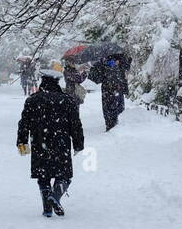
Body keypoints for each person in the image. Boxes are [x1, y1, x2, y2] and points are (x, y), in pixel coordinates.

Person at [17, 68, 85, 218]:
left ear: (43, 81)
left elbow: (24, 123)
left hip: (39, 142)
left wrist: (22, 142)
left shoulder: (32, 100)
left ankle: (47, 209)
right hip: (61, 142)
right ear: (57, 82)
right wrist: (79, 143)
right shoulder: (67, 100)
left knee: (43, 175)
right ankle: (55, 196)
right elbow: (75, 124)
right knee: (64, 175)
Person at [88, 54, 130, 131]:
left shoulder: (103, 62)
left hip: (110, 89)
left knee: (110, 108)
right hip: (114, 89)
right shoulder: (107, 62)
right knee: (115, 107)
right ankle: (114, 126)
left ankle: (112, 125)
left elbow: (96, 78)